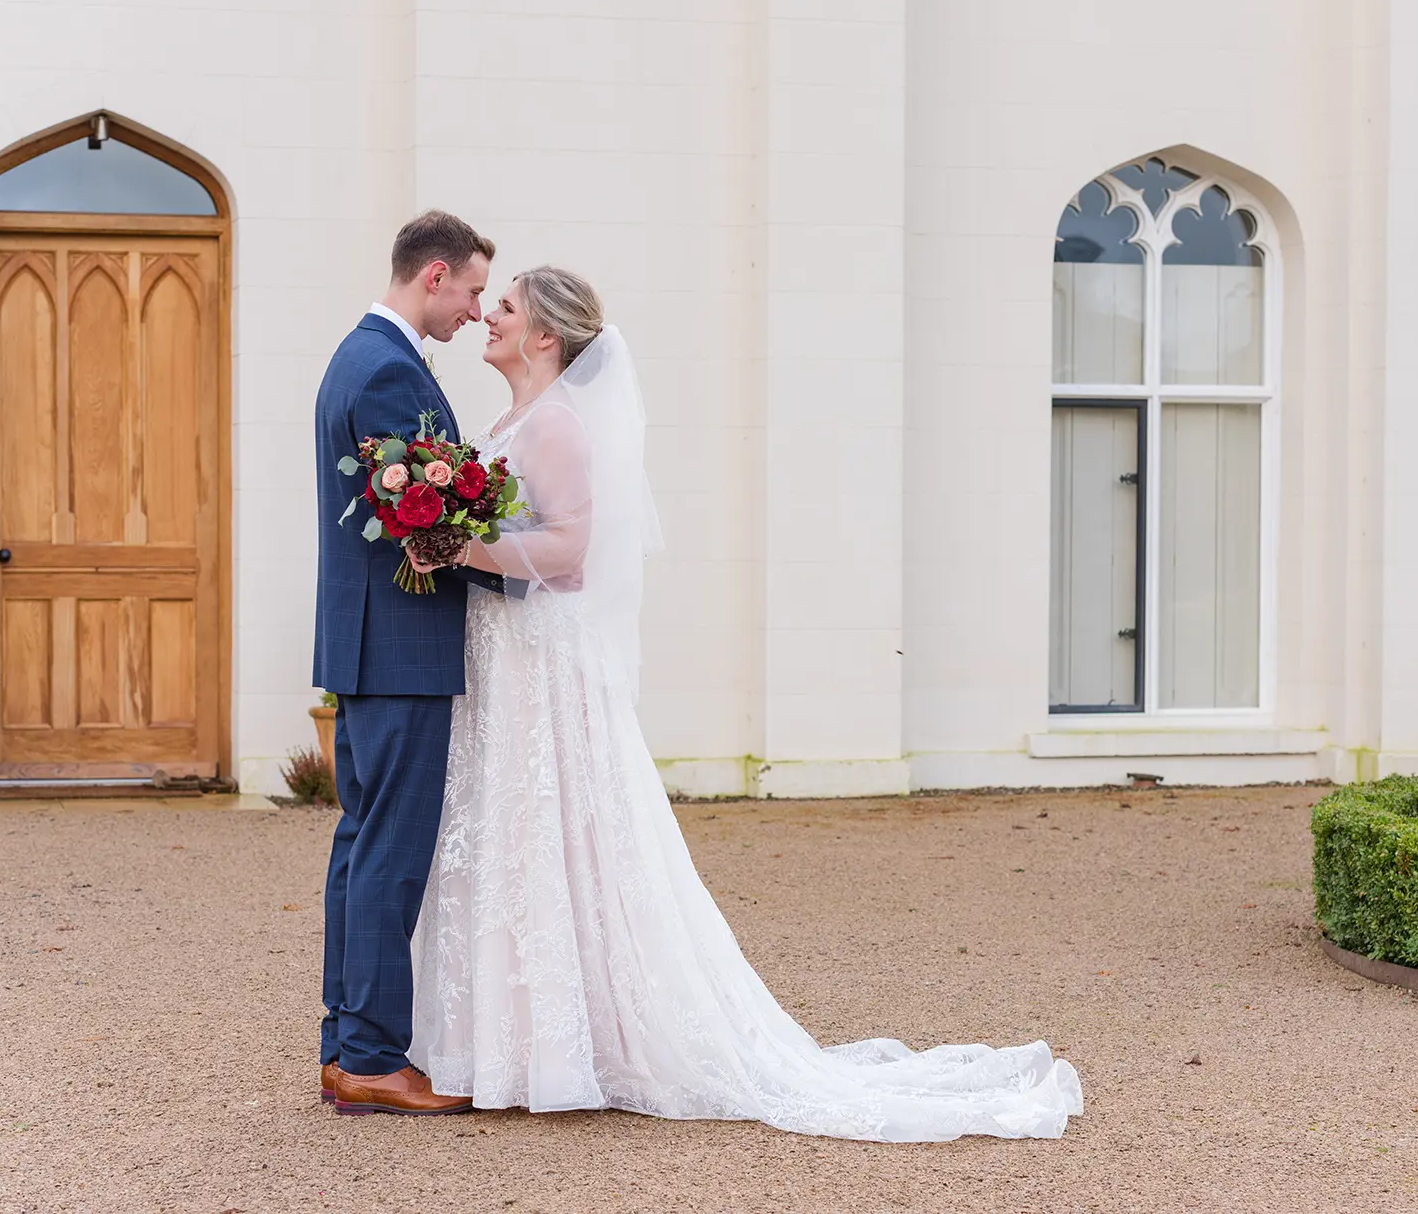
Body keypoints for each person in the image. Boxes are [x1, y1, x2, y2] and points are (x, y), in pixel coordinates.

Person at [401, 266, 1083, 1140]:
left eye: (504, 309)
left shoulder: (560, 426)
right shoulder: (512, 420)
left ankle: (571, 1045)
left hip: (544, 661)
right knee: (517, 834)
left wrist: (461, 543)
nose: (487, 317)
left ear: (545, 339)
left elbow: (569, 551)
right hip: (506, 656)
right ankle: (514, 1040)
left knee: (559, 831)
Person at [311, 210, 501, 1116]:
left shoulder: (361, 354)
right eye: (469, 291)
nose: (473, 311)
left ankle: (346, 1045)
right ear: (434, 275)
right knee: (389, 852)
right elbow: (424, 518)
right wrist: (529, 571)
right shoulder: (388, 368)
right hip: (400, 648)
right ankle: (375, 1056)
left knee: (359, 846)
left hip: (367, 647)